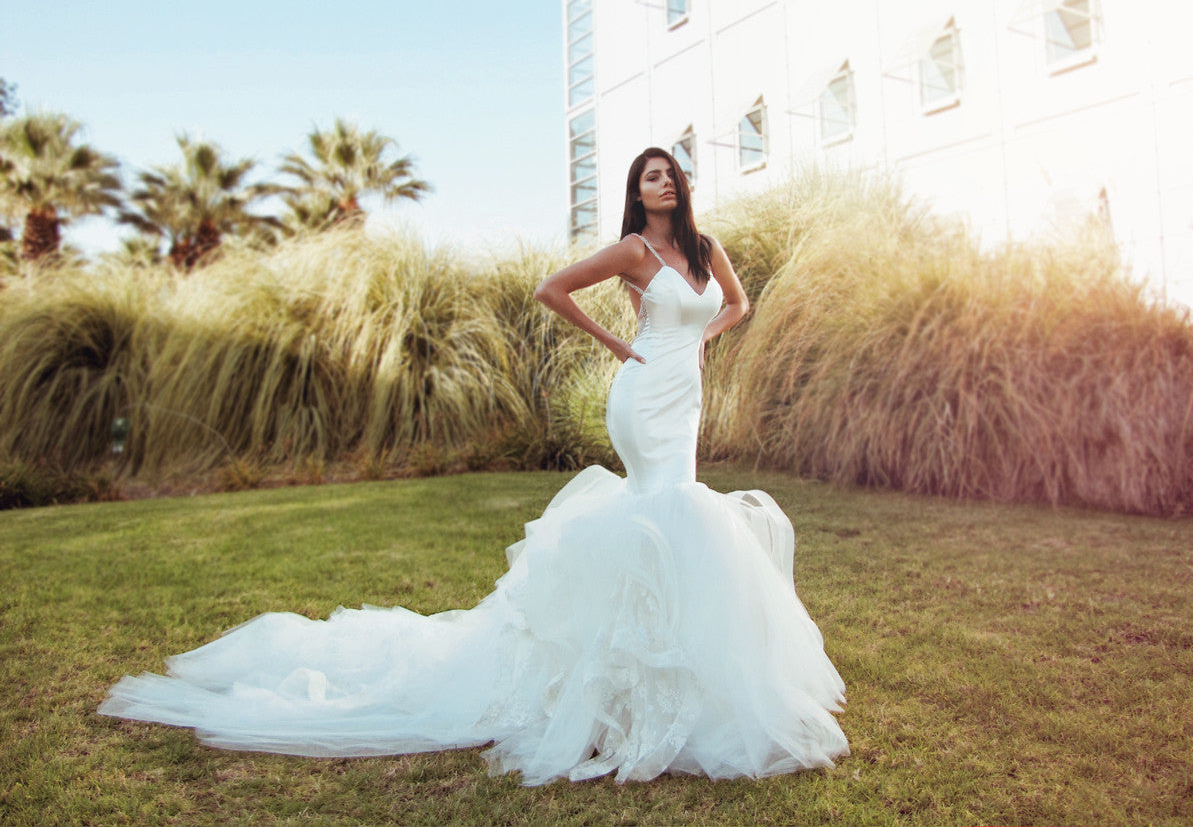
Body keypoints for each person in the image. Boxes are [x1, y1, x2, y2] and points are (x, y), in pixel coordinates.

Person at [99, 147, 849, 786]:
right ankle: (623, 684)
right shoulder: (633, 252)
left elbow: (737, 305)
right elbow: (551, 289)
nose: (665, 183)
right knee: (661, 505)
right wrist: (620, 345)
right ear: (637, 192)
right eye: (651, 176)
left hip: (684, 396)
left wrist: (702, 339)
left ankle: (672, 671)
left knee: (677, 509)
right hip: (643, 396)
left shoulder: (706, 248)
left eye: (671, 174)